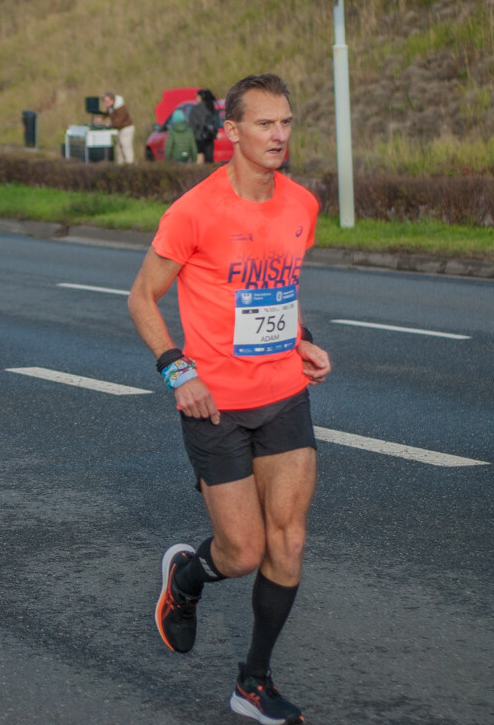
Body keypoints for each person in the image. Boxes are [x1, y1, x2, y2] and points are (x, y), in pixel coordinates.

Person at [126, 74, 331, 725]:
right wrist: (176, 370)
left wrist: (302, 340)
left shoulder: (301, 205)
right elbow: (141, 297)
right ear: (233, 131)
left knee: (287, 542)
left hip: (284, 396)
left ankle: (254, 682)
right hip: (212, 404)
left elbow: (276, 290)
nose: (279, 134)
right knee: (242, 551)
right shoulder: (195, 211)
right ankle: (187, 576)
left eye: (286, 123)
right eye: (266, 124)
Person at [187, 89, 219, 165]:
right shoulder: (211, 107)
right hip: (209, 137)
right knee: (209, 160)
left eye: (196, 96)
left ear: (201, 97)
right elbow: (215, 123)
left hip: (198, 138)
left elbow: (192, 125)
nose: (195, 98)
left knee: (199, 160)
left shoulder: (196, 109)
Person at [102, 91, 135, 164]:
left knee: (126, 147)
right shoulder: (111, 106)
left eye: (107, 101)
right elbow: (108, 113)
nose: (105, 103)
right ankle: (120, 165)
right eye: (104, 101)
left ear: (112, 100)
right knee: (118, 148)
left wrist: (110, 125)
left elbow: (118, 121)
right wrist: (101, 118)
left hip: (126, 128)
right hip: (118, 129)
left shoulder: (121, 108)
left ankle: (130, 164)